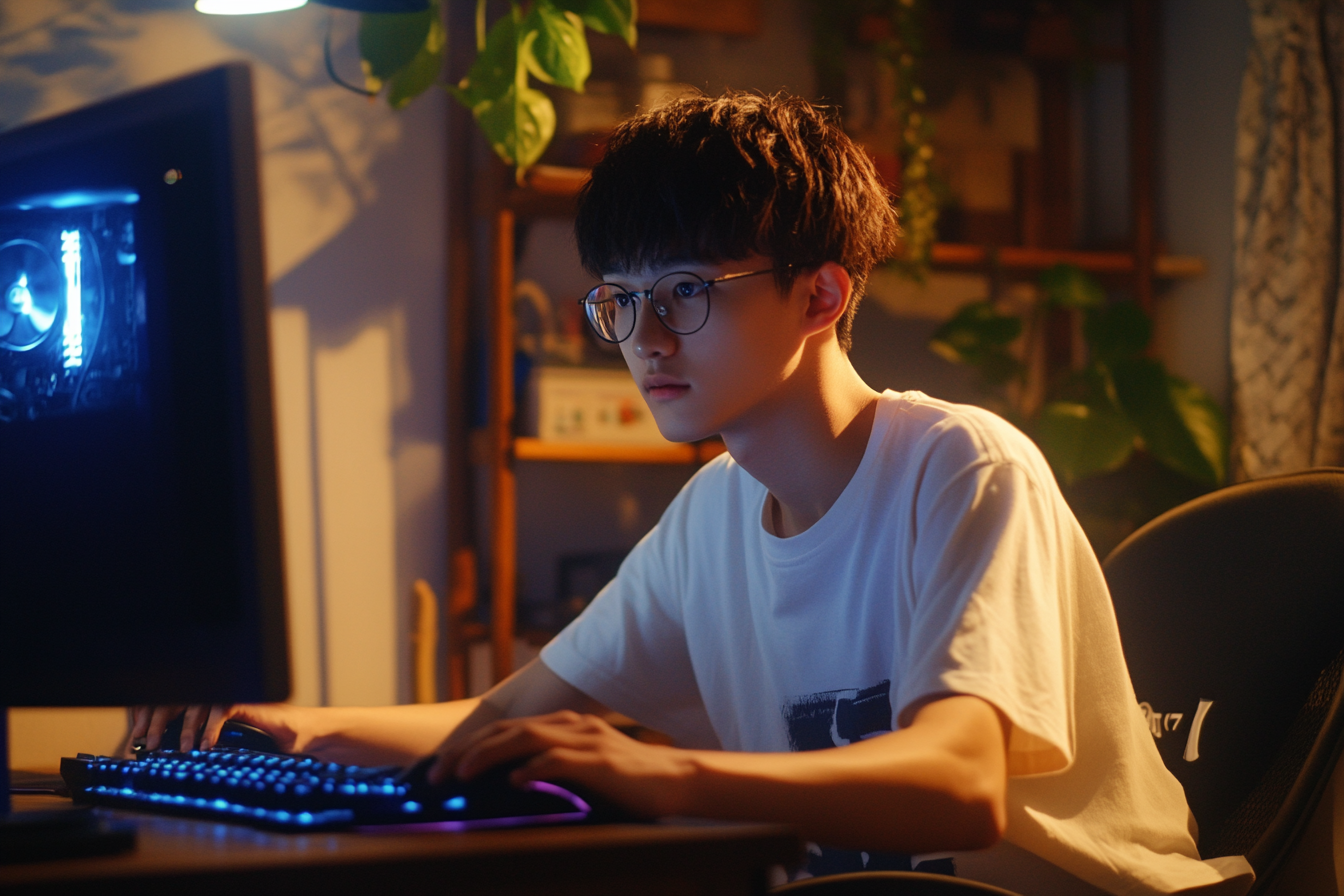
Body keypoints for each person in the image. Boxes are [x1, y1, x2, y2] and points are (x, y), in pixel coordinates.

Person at [133, 92, 1252, 895]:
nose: (644, 338)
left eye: (685, 291)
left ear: (821, 293)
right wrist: (298, 721)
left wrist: (662, 772)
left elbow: (961, 785)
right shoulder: (712, 514)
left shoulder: (960, 466)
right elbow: (512, 720)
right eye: (619, 299)